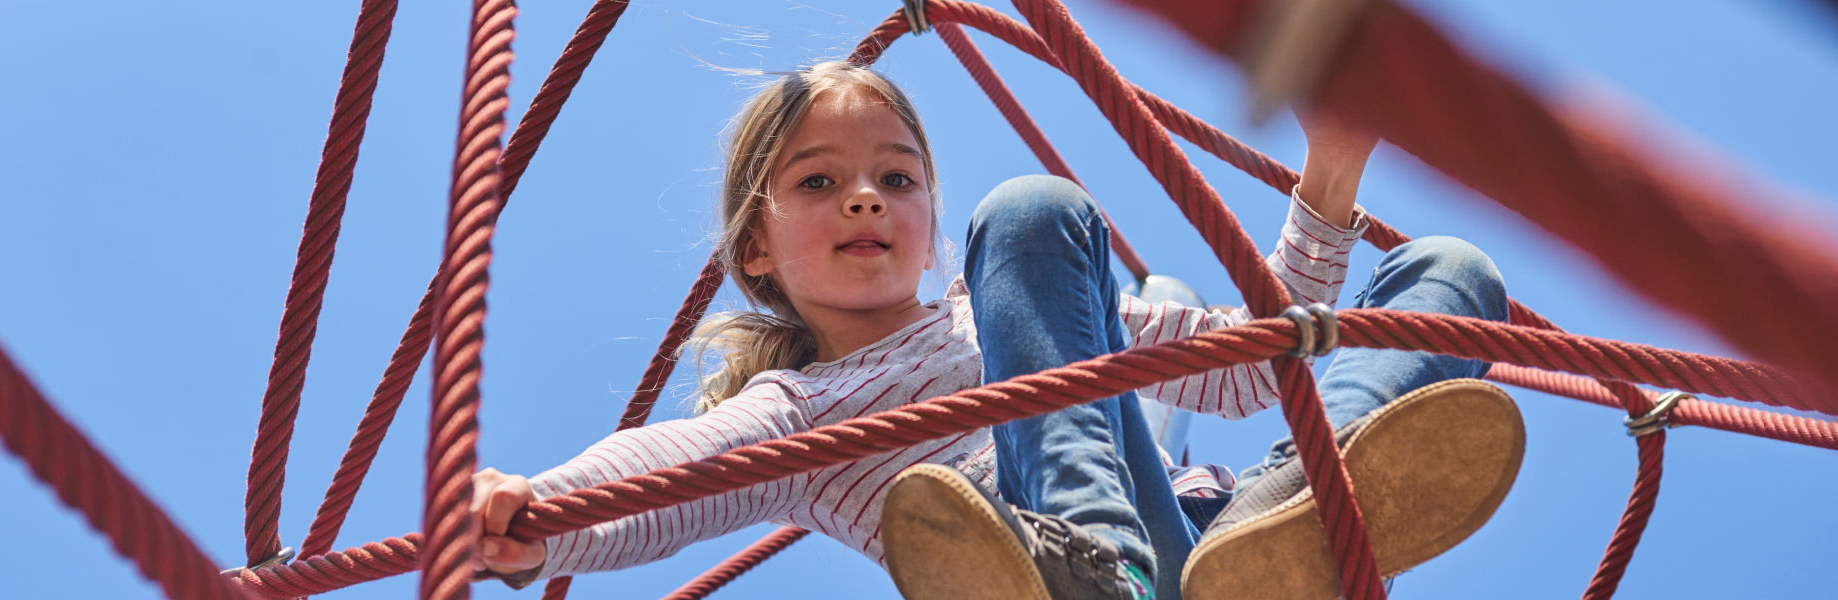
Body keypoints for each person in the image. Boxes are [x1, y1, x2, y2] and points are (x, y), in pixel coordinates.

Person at [465, 61, 1525, 600]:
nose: (865, 200)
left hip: (1202, 545)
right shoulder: (796, 411)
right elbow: (671, 471)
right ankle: (1096, 565)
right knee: (1028, 213)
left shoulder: (1026, 310)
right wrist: (539, 516)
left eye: (895, 179)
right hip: (1035, 561)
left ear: (930, 230)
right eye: (819, 182)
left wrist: (1327, 179)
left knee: (1453, 273)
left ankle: (1296, 530)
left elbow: (1260, 360)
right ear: (754, 250)